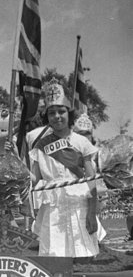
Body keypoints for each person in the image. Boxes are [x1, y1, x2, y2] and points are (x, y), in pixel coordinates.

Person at [30, 77, 99, 257]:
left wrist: (92, 213)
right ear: (47, 117)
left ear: (69, 114)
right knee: (54, 256)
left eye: (61, 111)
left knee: (82, 253)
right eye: (52, 113)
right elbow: (34, 179)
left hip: (79, 207)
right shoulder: (40, 145)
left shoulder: (82, 142)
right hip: (53, 207)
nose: (57, 116)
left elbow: (91, 183)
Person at [73, 112, 107, 243]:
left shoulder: (96, 154)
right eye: (80, 135)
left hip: (93, 194)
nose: (84, 138)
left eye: (87, 134)